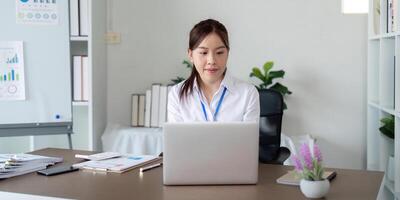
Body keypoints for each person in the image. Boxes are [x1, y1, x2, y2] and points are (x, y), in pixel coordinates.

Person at [168, 19, 260, 122]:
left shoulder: (248, 94)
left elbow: (249, 138)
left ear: (227, 53)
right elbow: (177, 138)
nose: (211, 61)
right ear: (190, 55)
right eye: (203, 53)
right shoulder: (177, 94)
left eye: (219, 52)